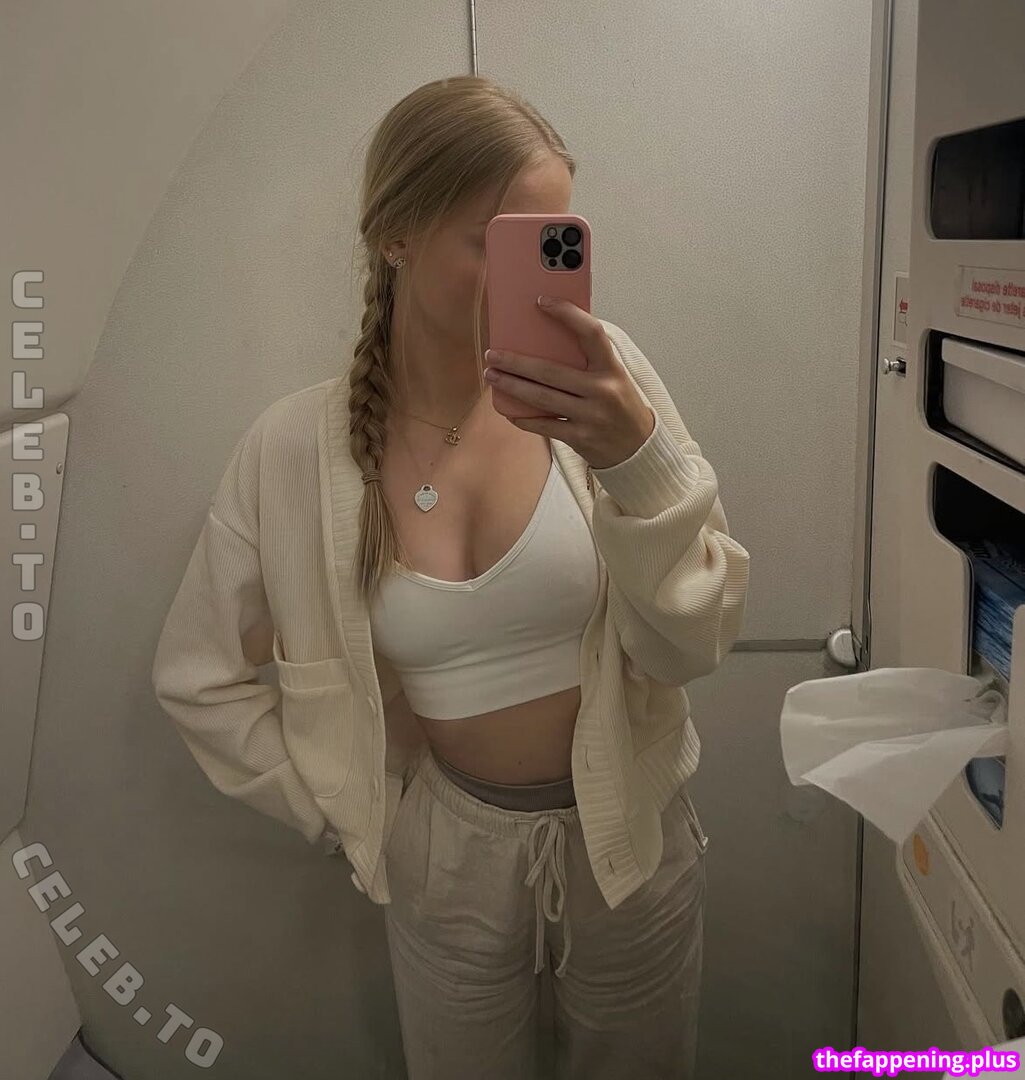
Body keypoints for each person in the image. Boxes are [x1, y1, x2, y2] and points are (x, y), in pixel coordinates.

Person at [153, 74, 749, 1080]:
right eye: (498, 244)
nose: (542, 283)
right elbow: (196, 676)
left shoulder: (604, 386)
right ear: (396, 235)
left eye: (555, 243)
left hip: (631, 840)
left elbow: (693, 644)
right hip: (444, 858)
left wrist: (635, 460)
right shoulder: (292, 450)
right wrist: (346, 805)